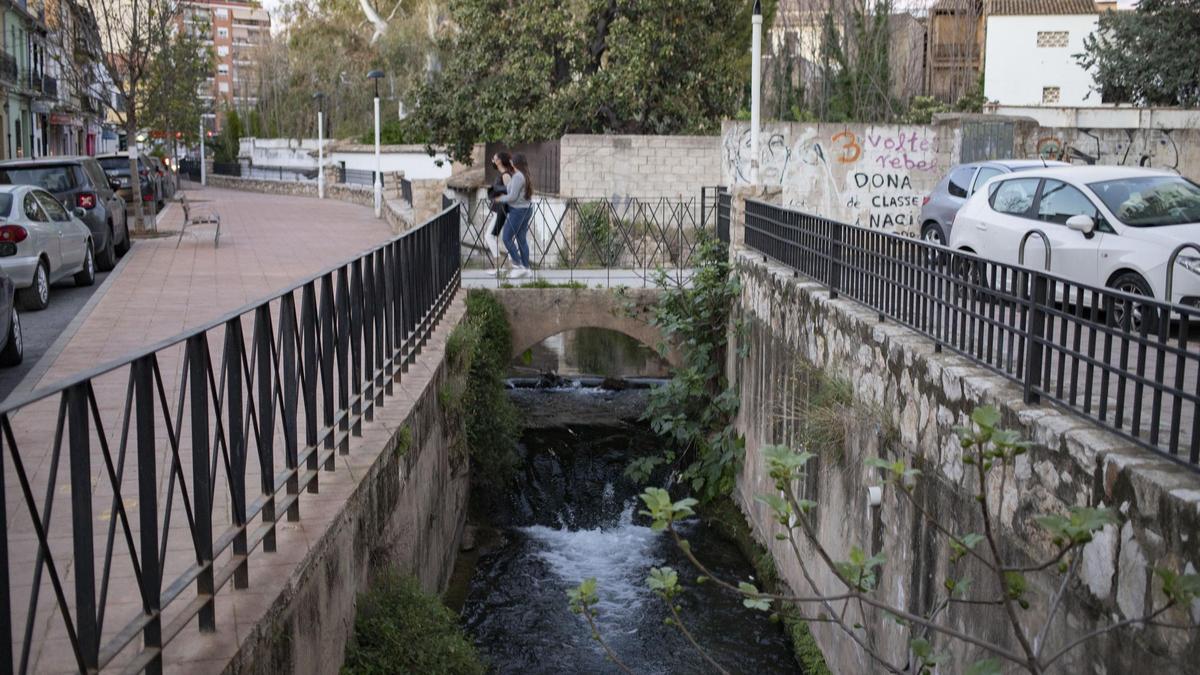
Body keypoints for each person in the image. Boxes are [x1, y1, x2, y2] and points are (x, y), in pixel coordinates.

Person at [495, 153, 533, 278]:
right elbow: (512, 191)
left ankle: (518, 265)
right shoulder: (524, 175)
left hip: (518, 211)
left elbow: (512, 197)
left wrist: (500, 199)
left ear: (514, 163)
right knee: (521, 239)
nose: (510, 163)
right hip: (526, 209)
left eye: (511, 161)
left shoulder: (518, 177)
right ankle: (526, 269)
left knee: (506, 237)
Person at [486, 153, 514, 270]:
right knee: (504, 237)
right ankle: (510, 263)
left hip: (503, 211)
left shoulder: (506, 175)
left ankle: (506, 263)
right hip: (499, 211)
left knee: (491, 236)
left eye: (495, 158)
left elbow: (510, 194)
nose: (492, 159)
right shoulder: (503, 174)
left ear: (499, 161)